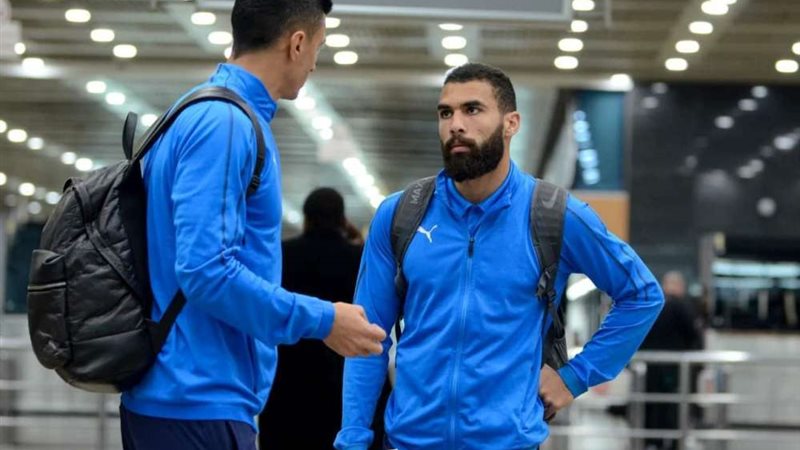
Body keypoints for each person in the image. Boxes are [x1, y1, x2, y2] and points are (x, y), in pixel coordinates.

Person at [334, 63, 665, 450]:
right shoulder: (401, 215)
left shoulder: (553, 216)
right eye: (446, 113)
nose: (456, 125)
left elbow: (642, 295)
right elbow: (367, 336)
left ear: (511, 124)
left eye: (472, 110)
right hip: (409, 441)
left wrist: (575, 377)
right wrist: (353, 437)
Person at [119, 2, 386, 449]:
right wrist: (325, 319)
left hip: (192, 396)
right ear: (296, 43)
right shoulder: (225, 123)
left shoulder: (205, 111)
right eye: (318, 46)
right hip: (196, 398)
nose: (314, 64)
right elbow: (206, 270)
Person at [259, 188, 388, 449]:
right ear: (342, 218)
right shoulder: (359, 259)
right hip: (343, 387)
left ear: (306, 219)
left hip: (287, 389)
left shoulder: (281, 256)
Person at [640, 271, 704, 450]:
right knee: (674, 406)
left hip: (650, 368)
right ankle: (674, 443)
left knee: (652, 405)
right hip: (675, 369)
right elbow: (694, 336)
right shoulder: (683, 308)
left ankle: (651, 442)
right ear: (680, 286)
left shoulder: (651, 305)